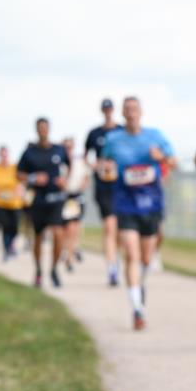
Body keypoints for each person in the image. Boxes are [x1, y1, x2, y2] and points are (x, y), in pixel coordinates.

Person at [102, 97, 176, 330]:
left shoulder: (155, 136)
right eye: (127, 110)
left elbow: (172, 161)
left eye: (135, 109)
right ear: (123, 114)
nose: (131, 113)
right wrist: (107, 170)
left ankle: (139, 284)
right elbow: (104, 164)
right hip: (125, 202)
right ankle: (136, 307)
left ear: (141, 112)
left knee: (146, 258)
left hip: (151, 202)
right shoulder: (113, 140)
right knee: (131, 255)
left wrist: (161, 158)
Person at [17, 118, 70, 288]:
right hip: (38, 199)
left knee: (58, 233)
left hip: (56, 198)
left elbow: (69, 165)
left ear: (49, 129)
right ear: (36, 130)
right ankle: (39, 270)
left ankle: (54, 268)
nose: (43, 131)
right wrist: (33, 178)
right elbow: (18, 174)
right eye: (40, 128)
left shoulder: (59, 150)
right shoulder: (29, 152)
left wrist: (65, 179)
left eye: (45, 128)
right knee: (38, 237)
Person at [84, 98, 122, 286]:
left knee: (121, 230)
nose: (108, 111)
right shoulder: (94, 133)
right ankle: (112, 268)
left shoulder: (121, 131)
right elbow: (86, 158)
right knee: (109, 226)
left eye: (110, 109)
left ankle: (119, 258)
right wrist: (97, 165)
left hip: (121, 186)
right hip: (103, 186)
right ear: (102, 111)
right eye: (105, 109)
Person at [0, 146, 25, 260]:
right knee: (5, 226)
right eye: (2, 155)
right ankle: (7, 249)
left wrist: (20, 190)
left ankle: (10, 245)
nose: (4, 157)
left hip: (14, 203)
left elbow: (21, 183)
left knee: (15, 227)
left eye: (5, 154)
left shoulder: (15, 168)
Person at [61, 136, 91, 272]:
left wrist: (81, 187)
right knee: (66, 229)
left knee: (75, 227)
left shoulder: (80, 162)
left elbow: (86, 177)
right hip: (63, 197)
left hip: (76, 196)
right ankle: (67, 251)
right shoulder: (59, 162)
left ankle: (71, 255)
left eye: (70, 146)